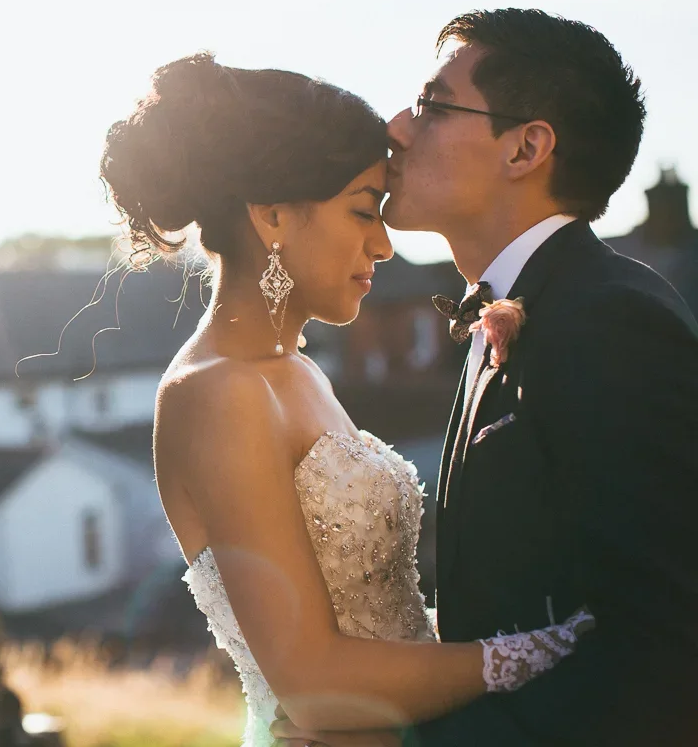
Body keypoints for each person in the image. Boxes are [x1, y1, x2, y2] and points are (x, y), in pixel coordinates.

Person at [99, 51, 594, 747]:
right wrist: (540, 653)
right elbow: (314, 682)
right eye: (364, 211)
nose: (385, 244)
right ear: (272, 216)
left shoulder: (298, 370)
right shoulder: (216, 394)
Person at [272, 8, 698, 747]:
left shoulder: (611, 320)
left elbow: (663, 650)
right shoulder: (522, 305)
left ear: (526, 147)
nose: (397, 127)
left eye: (434, 106)